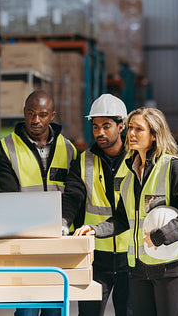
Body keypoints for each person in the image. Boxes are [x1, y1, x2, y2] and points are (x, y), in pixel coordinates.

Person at [74, 107, 178, 316]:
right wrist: (94, 229)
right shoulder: (130, 175)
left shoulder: (173, 167)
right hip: (138, 269)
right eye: (131, 128)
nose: (131, 134)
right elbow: (121, 219)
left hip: (170, 268)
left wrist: (163, 235)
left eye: (139, 129)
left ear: (154, 135)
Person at [0, 89, 77, 316]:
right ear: (24, 113)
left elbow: (73, 194)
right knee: (27, 308)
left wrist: (64, 225)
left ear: (52, 116)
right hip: (24, 241)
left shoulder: (68, 149)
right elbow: (7, 198)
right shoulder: (5, 149)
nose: (35, 120)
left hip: (59, 241)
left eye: (42, 114)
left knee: (55, 308)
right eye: (30, 113)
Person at [61, 93, 130, 316]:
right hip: (95, 257)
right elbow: (72, 197)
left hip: (131, 256)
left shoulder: (138, 160)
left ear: (121, 126)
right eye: (96, 126)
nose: (99, 132)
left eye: (106, 126)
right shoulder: (83, 161)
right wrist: (63, 223)